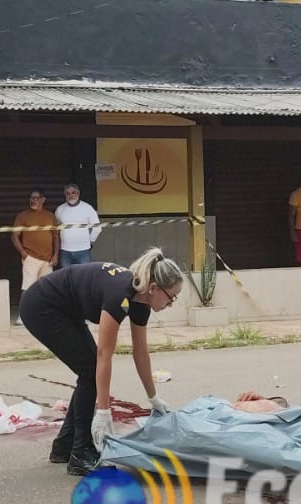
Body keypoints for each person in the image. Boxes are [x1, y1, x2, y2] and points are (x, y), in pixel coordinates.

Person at [19, 248, 183, 476]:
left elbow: (140, 353)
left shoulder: (140, 302)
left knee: (89, 369)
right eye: (171, 296)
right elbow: (104, 355)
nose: (171, 303)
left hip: (66, 310)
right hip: (41, 305)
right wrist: (104, 412)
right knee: (90, 370)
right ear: (154, 288)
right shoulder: (120, 294)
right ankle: (80, 453)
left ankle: (65, 444)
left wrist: (153, 398)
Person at [13, 189, 58, 298]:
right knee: (27, 289)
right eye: (31, 198)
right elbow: (14, 236)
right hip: (31, 258)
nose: (33, 200)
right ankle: (24, 310)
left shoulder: (50, 216)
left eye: (36, 198)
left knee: (47, 290)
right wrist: (23, 253)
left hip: (48, 260)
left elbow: (56, 237)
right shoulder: (22, 216)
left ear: (43, 200)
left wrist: (56, 255)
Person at [54, 183, 101, 266]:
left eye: (73, 193)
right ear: (65, 195)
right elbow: (56, 228)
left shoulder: (88, 208)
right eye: (68, 193)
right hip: (65, 251)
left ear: (78, 193)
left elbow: (97, 227)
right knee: (66, 274)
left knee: (84, 273)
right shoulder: (60, 209)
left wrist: (90, 241)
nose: (71, 195)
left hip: (83, 251)